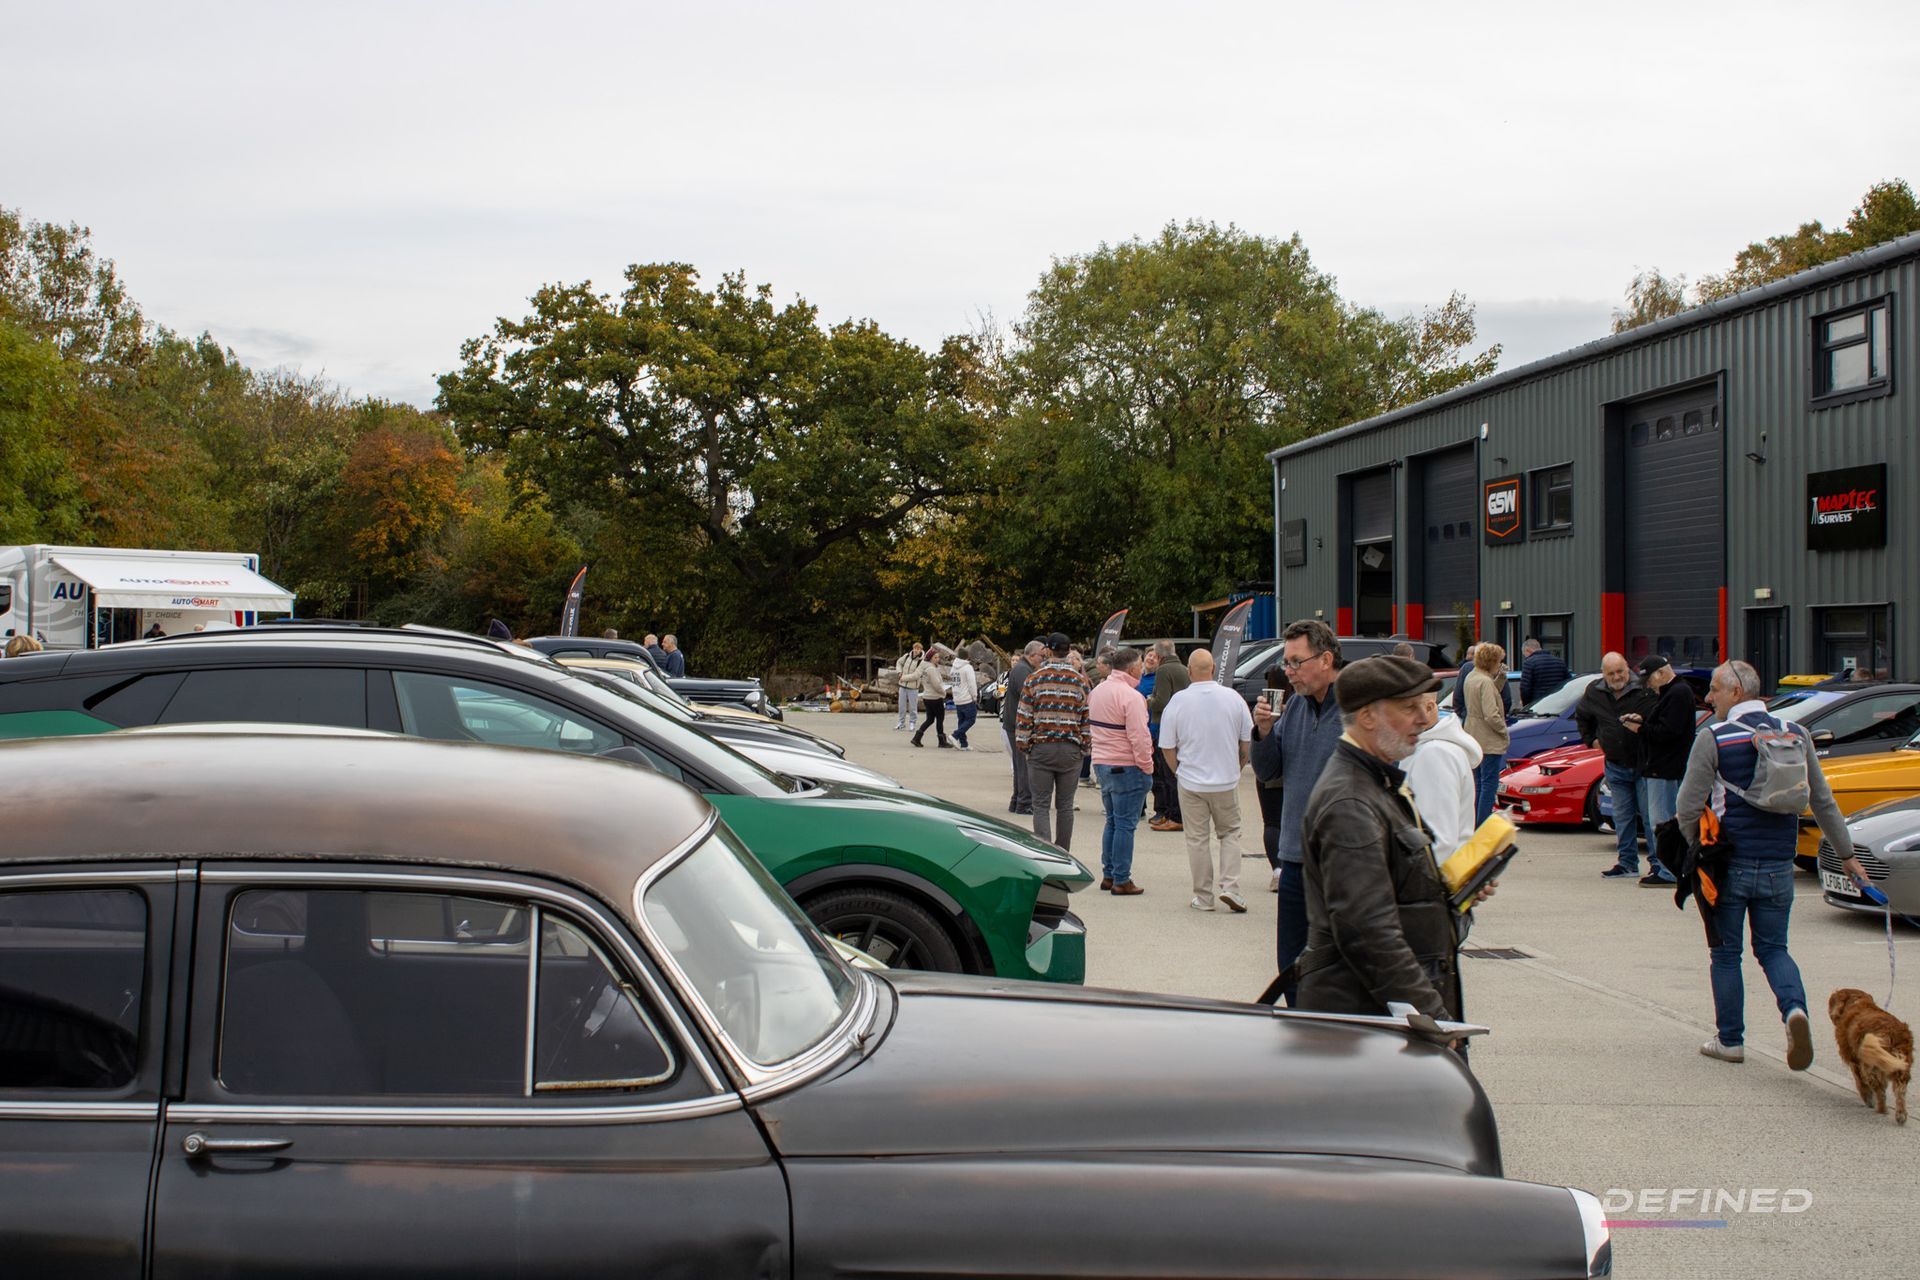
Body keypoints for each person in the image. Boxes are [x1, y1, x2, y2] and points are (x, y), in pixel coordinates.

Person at [1677, 660, 1863, 1067]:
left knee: (1726, 954)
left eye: (1714, 690)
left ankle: (1730, 1041)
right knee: (1774, 948)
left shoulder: (1713, 737)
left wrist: (1696, 850)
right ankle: (1794, 1011)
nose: (1709, 697)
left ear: (1736, 693)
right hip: (1780, 862)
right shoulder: (1796, 734)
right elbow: (1823, 801)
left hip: (1730, 864)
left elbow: (1687, 806)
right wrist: (1847, 856)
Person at [1295, 656, 1486, 1028]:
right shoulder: (1351, 801)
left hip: (1383, 1012)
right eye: (1408, 707)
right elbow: (1366, 929)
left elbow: (1397, 885)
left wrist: (1458, 889)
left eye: (1423, 706)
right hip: (1367, 1018)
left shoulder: (1377, 781)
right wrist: (1432, 1017)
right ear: (1368, 717)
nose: (1423, 717)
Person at [1250, 619, 1345, 991]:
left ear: (1325, 659)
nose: (1288, 672)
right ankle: (1301, 1038)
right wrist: (1263, 731)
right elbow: (1269, 770)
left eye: (1295, 662)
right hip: (1293, 857)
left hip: (1337, 862)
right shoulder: (1295, 708)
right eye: (1286, 664)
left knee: (1332, 970)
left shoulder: (1357, 712)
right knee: (1290, 965)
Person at [1160, 649, 1254, 913]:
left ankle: (1203, 897)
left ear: (1189, 671)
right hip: (1226, 780)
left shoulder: (1178, 701)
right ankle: (1231, 887)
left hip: (1191, 781)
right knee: (1230, 833)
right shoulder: (1233, 698)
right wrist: (1237, 766)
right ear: (1213, 667)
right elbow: (1246, 740)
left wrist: (1178, 771)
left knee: (1197, 839)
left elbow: (1167, 746)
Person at [1577, 652, 1658, 879]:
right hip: (1615, 763)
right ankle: (1627, 863)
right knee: (1622, 817)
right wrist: (1591, 740)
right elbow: (1582, 716)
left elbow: (1657, 718)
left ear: (1627, 668)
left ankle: (1659, 865)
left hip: (1644, 764)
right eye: (1611, 673)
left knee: (1651, 818)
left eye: (1620, 671)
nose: (1616, 676)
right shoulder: (1595, 691)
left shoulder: (1644, 688)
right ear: (1603, 674)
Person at [1016, 633, 1090, 850]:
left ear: (1047, 650)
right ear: (1068, 651)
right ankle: (1064, 852)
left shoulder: (1035, 678)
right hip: (1070, 749)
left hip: (1041, 747)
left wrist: (1024, 746)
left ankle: (1046, 853)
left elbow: (1024, 717)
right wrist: (1084, 746)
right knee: (1065, 805)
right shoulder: (1079, 681)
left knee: (1040, 805)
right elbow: (1086, 717)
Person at [1089, 646, 1153, 895]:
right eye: (1140, 664)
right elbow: (1139, 736)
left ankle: (1109, 874)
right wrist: (1147, 766)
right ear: (1132, 667)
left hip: (1103, 762)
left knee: (1113, 821)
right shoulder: (1131, 696)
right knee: (1126, 825)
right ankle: (1121, 879)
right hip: (1126, 765)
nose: (1143, 668)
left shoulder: (1098, 691)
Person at [1631, 655, 1696, 870]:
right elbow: (1666, 726)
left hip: (1664, 768)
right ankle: (1669, 868)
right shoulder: (1675, 692)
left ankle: (1667, 870)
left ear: (1660, 673)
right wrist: (1643, 721)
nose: (1649, 685)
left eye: (1649, 679)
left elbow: (1668, 732)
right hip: (1665, 767)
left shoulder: (1677, 694)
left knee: (1662, 822)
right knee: (1665, 820)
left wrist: (1640, 728)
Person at [1404, 700, 1484, 863]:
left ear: (1429, 708)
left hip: (1435, 880)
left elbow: (1438, 842)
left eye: (1403, 708)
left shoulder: (1434, 754)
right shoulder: (1433, 749)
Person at [1461, 642, 1510, 826]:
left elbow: (1487, 694)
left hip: (1473, 735)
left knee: (1478, 784)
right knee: (1489, 784)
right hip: (1488, 739)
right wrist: (1503, 730)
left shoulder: (1472, 677)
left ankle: (1474, 822)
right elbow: (1491, 714)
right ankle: (1483, 823)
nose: (1499, 665)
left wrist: (1501, 678)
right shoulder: (1485, 682)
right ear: (1490, 661)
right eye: (1498, 662)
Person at [1146, 640, 1190, 831]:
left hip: (1163, 725)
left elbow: (1161, 701)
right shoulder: (1182, 668)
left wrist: (1149, 701)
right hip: (1181, 726)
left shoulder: (1164, 671)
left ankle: (1174, 816)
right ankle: (1173, 814)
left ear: (1159, 655)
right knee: (1172, 773)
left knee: (1166, 773)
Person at [1000, 640, 1046, 814]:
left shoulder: (1022, 668)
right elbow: (1029, 696)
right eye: (1041, 656)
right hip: (1017, 724)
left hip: (1014, 723)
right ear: (1032, 655)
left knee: (1020, 765)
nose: (1042, 660)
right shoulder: (1022, 670)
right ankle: (1024, 802)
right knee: (1024, 765)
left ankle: (1018, 800)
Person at [1451, 643, 1512, 718]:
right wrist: (1499, 720)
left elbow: (1457, 698)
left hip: (1469, 721)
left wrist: (1464, 715)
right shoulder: (1497, 671)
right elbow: (1506, 700)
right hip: (1491, 722)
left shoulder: (1467, 668)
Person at [910, 645, 953, 748]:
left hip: (927, 697)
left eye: (938, 657)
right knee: (939, 719)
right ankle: (941, 741)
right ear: (930, 658)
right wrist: (943, 693)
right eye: (935, 657)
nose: (937, 659)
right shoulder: (931, 669)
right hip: (935, 698)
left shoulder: (926, 668)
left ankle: (917, 738)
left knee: (930, 719)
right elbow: (936, 685)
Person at [1517, 637, 1572, 705]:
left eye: (1524, 654)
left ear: (1528, 650)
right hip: (1558, 703)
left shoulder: (1529, 663)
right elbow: (1569, 682)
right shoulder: (1559, 661)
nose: (1525, 657)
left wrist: (1526, 705)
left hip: (1538, 704)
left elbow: (1525, 688)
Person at [948, 647, 979, 750]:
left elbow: (953, 682)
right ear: (967, 657)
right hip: (967, 699)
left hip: (957, 698)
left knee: (962, 721)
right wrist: (975, 696)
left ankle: (964, 744)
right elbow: (972, 684)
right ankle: (954, 736)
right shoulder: (967, 667)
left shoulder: (953, 667)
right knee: (971, 719)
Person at [894, 643, 925, 731]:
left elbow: (916, 675)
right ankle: (901, 722)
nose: (916, 650)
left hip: (913, 688)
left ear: (921, 650)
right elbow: (899, 663)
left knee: (913, 707)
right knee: (901, 706)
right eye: (915, 648)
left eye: (918, 649)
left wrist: (903, 678)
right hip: (902, 686)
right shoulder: (907, 656)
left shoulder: (921, 661)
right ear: (913, 648)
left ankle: (912, 723)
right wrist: (899, 672)